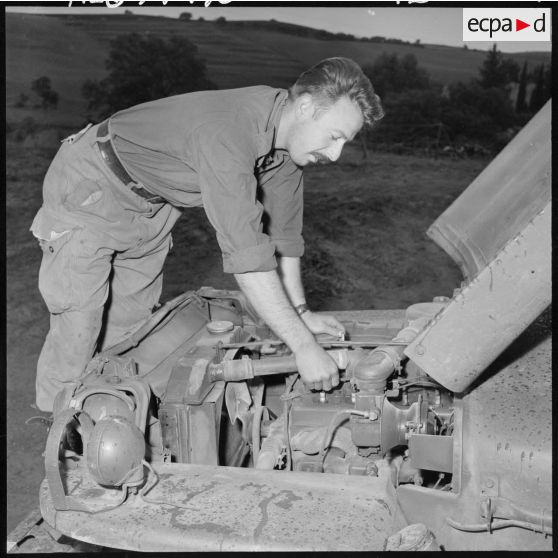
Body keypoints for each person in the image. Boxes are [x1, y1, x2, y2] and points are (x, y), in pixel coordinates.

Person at [31, 56, 384, 413]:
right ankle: (60, 436)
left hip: (154, 205)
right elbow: (249, 261)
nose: (336, 154)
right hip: (93, 184)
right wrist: (304, 346)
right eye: (335, 137)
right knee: (79, 328)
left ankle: (108, 430)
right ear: (306, 106)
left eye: (346, 142)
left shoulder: (286, 152)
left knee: (130, 334)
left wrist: (302, 312)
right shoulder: (229, 131)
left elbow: (283, 242)